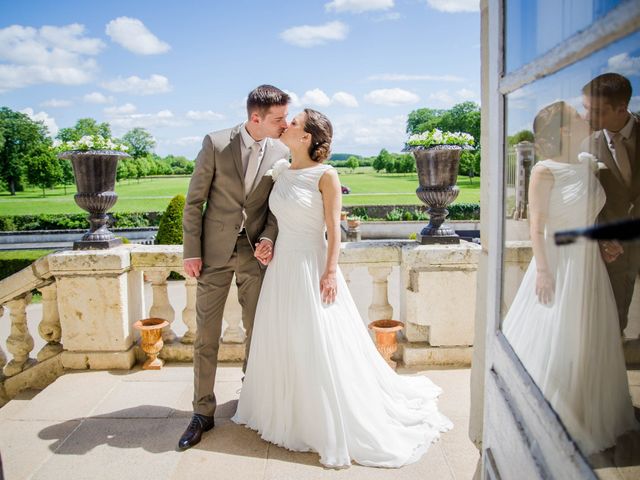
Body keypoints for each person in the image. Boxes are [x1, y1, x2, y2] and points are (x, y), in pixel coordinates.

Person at [231, 108, 452, 468]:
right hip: (282, 266)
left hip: (312, 264)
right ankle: (287, 408)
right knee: (284, 338)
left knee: (317, 340)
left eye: (295, 123)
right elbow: (277, 219)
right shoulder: (283, 170)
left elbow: (334, 230)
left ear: (306, 138)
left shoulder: (326, 175)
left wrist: (331, 271)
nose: (286, 125)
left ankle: (322, 417)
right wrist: (269, 240)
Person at [502, 101, 638, 455]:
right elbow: (536, 227)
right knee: (559, 336)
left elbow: (586, 217)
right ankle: (552, 416)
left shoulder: (584, 164)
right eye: (578, 117)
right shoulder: (544, 170)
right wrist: (544, 271)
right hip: (559, 264)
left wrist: (603, 240)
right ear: (563, 130)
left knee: (590, 337)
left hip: (589, 263)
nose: (585, 119)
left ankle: (589, 411)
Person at [178, 85, 290, 450]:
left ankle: (251, 400)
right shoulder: (215, 143)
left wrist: (269, 238)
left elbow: (277, 207)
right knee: (206, 335)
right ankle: (201, 412)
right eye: (278, 118)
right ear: (255, 118)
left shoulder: (281, 150)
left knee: (257, 331)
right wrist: (191, 251)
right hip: (212, 253)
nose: (285, 123)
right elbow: (194, 202)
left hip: (253, 254)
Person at [581, 73, 640, 334]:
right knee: (613, 321)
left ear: (622, 108)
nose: (588, 117)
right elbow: (585, 201)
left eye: (597, 111)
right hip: (614, 250)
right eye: (586, 109)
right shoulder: (586, 146)